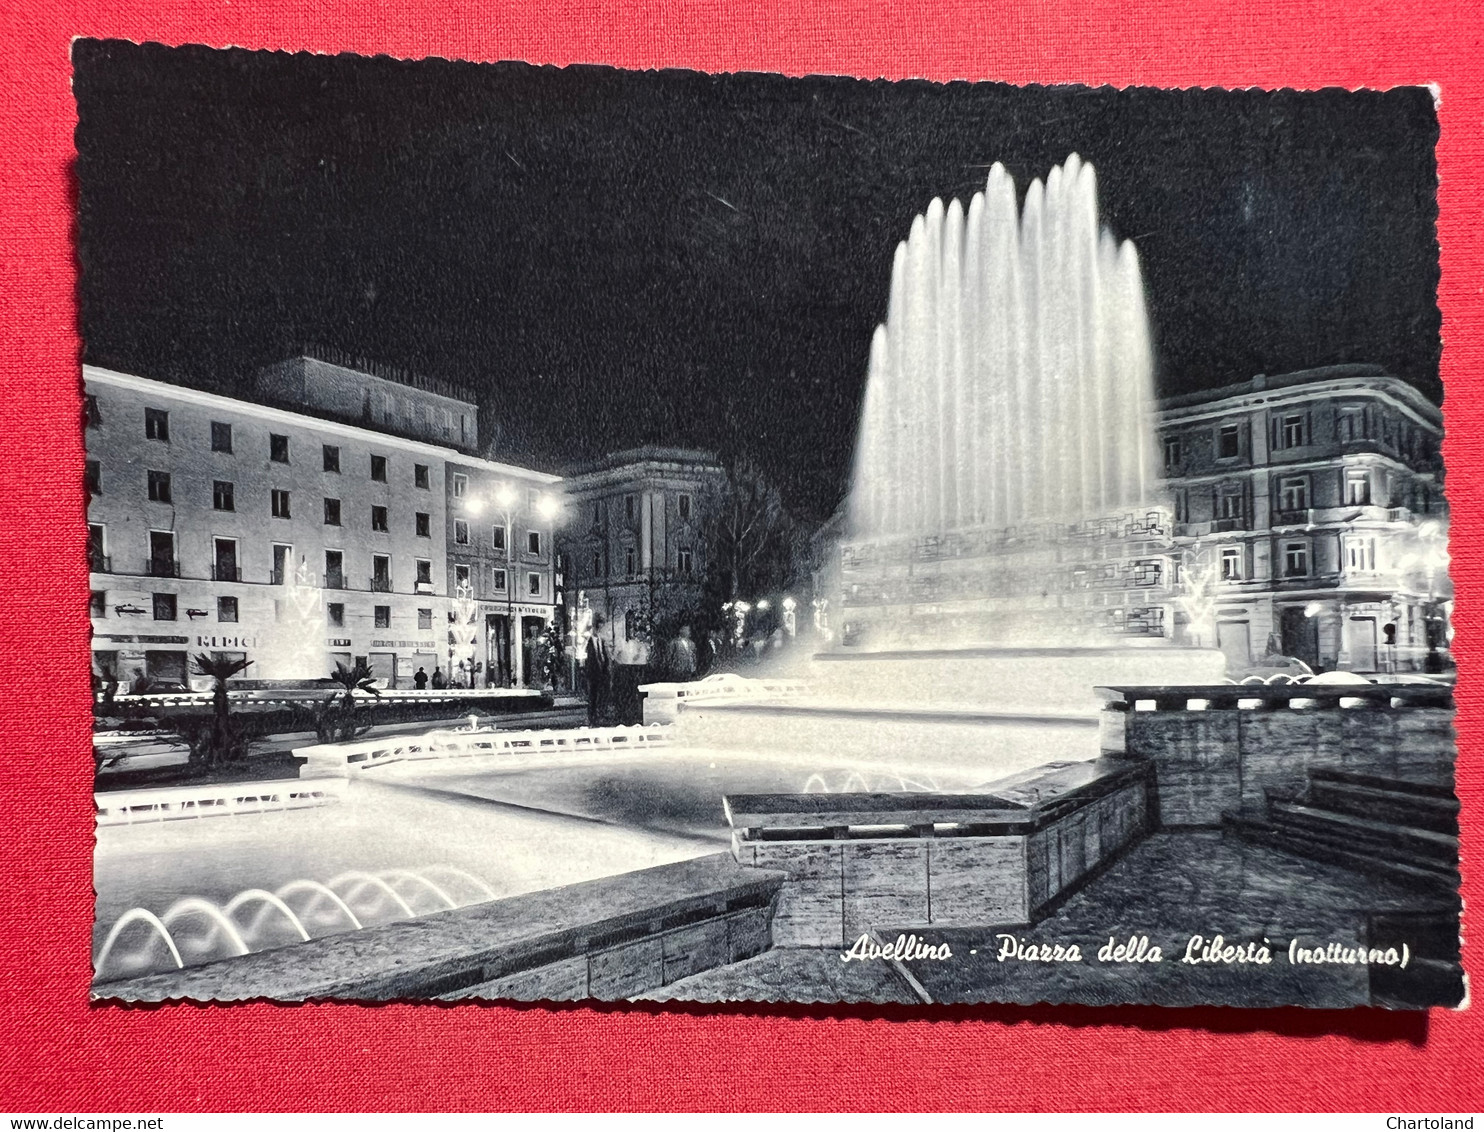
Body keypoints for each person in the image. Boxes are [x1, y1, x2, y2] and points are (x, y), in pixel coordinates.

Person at [584, 615, 611, 727]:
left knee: (602, 694)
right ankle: (592, 717)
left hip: (602, 672)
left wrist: (606, 667)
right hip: (593, 673)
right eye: (598, 628)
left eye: (600, 628)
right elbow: (589, 659)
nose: (599, 630)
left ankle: (600, 715)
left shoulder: (601, 641)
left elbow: (604, 656)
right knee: (593, 696)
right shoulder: (590, 641)